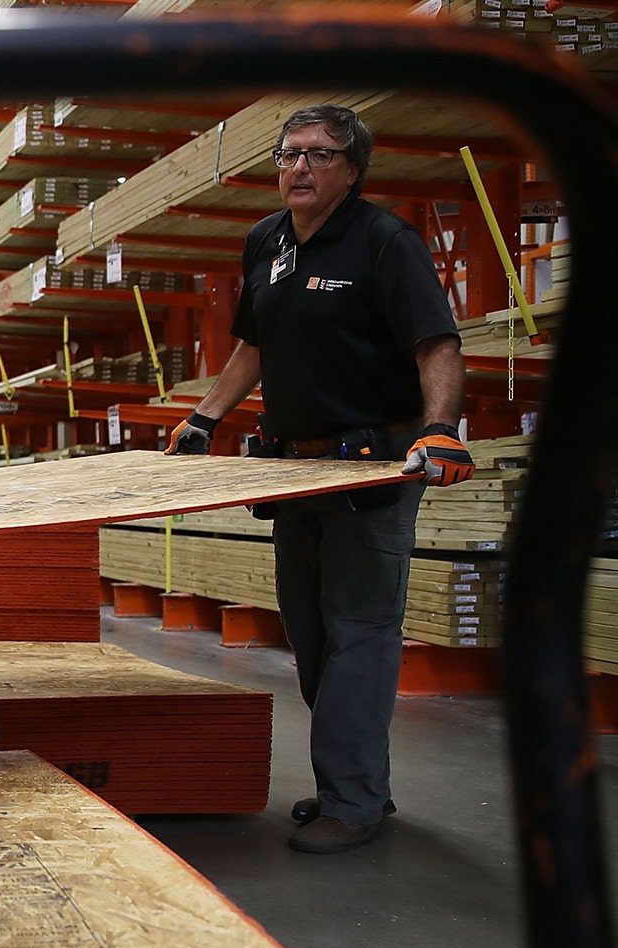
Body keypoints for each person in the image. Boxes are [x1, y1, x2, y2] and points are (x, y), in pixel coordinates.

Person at [166, 105, 474, 855]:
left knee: (360, 633)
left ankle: (354, 800)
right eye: (288, 154)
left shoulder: (385, 242)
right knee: (308, 630)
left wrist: (439, 428)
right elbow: (252, 346)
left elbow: (438, 345)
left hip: (373, 467)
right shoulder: (265, 241)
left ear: (352, 170)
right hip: (294, 469)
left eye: (319, 155)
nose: (298, 167)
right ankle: (359, 784)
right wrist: (204, 418)